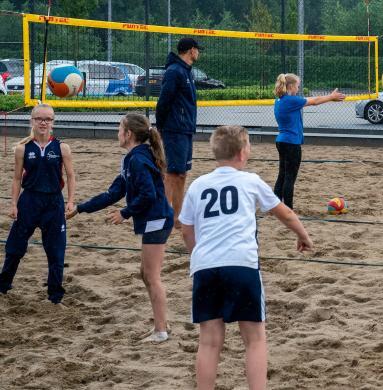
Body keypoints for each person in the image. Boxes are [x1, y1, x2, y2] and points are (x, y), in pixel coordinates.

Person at [179, 125, 313, 390]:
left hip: (205, 267)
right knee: (254, 339)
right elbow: (284, 212)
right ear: (242, 154)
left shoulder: (198, 184)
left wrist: (198, 253)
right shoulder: (250, 180)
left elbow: (186, 229)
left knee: (209, 341)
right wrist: (303, 235)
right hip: (241, 264)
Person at [67, 113, 173, 342]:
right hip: (153, 219)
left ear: (128, 134)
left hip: (157, 219)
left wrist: (124, 213)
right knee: (145, 274)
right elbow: (113, 193)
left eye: (119, 128)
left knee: (152, 276)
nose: (117, 132)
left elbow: (149, 194)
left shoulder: (137, 159)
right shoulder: (131, 158)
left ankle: (161, 331)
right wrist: (81, 208)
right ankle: (161, 322)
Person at [0, 104, 75, 304]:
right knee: (15, 247)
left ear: (53, 123)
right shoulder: (23, 148)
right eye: (39, 119)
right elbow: (16, 179)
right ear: (32, 121)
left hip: (54, 203)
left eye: (48, 119)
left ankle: (55, 296)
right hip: (29, 201)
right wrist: (14, 204)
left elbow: (70, 176)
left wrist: (70, 201)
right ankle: (3, 286)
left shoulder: (62, 147)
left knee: (56, 251)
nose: (43, 122)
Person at [273, 73, 345, 209]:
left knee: (282, 175)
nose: (298, 89)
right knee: (289, 177)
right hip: (291, 143)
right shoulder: (290, 101)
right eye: (297, 86)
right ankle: (288, 209)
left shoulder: (279, 100)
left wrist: (329, 98)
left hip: (281, 141)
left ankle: (276, 206)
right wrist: (331, 97)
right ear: (291, 86)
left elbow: (313, 100)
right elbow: (315, 101)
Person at [156, 37, 202, 229]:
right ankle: (167, 215)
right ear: (191, 50)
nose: (199, 53)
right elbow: (163, 101)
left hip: (184, 129)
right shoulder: (175, 71)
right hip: (174, 129)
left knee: (181, 174)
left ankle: (177, 216)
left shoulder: (186, 72)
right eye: (197, 49)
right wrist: (161, 127)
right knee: (172, 173)